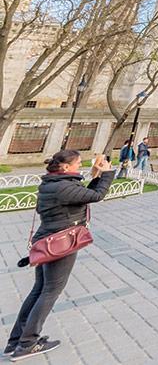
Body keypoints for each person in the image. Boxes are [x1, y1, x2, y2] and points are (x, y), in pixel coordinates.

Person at [6, 150, 114, 360]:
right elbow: (97, 196)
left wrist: (96, 175)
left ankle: (16, 340)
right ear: (65, 167)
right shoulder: (62, 187)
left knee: (39, 290)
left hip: (49, 239)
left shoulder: (54, 183)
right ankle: (27, 343)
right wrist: (107, 173)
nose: (79, 166)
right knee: (50, 291)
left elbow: (83, 198)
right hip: (60, 242)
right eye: (77, 163)